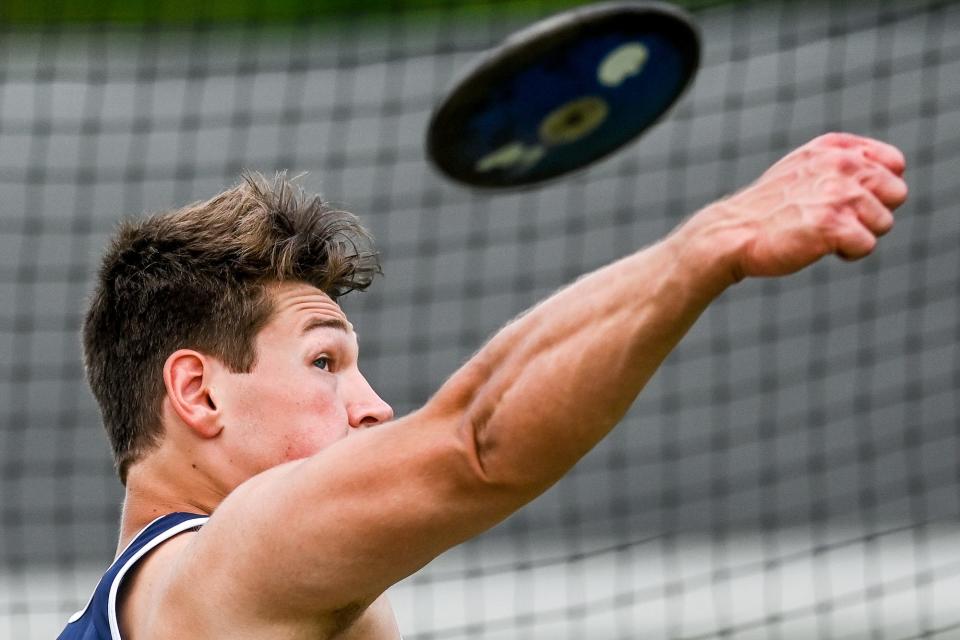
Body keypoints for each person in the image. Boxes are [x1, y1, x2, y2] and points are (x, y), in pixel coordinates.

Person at [59, 132, 907, 639]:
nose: (373, 405)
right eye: (325, 362)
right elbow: (474, 445)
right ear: (199, 394)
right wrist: (710, 246)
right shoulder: (222, 572)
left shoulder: (235, 605)